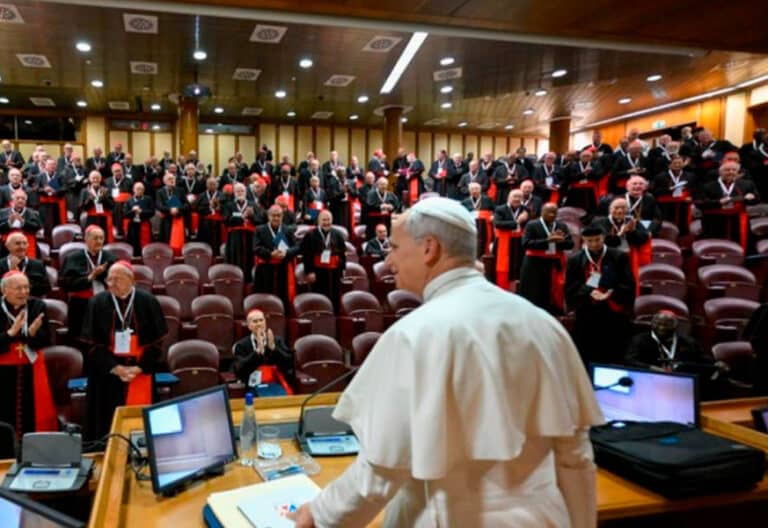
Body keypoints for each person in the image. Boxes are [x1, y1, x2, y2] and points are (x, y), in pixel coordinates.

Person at [290, 197, 601, 528]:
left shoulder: (414, 334)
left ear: (429, 248)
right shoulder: (545, 325)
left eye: (395, 247)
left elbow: (380, 475)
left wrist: (319, 514)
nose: (388, 259)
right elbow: (576, 459)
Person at [81, 261, 167, 440]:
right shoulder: (96, 303)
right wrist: (115, 368)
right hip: (107, 375)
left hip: (140, 372)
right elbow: (91, 344)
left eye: (117, 279)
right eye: (109, 279)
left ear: (131, 280)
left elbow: (157, 342)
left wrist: (140, 367)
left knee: (141, 427)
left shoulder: (148, 301)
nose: (111, 283)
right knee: (106, 424)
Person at [565, 225, 636, 365]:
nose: (594, 244)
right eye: (590, 241)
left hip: (612, 311)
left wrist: (611, 292)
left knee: (612, 351)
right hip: (586, 310)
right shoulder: (575, 259)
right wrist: (589, 291)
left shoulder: (619, 256)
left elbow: (628, 283)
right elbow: (571, 286)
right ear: (584, 240)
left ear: (603, 238)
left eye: (597, 240)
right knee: (586, 351)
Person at [0, 271, 56, 450]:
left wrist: (31, 335)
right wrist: (10, 334)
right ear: (4, 291)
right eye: (18, 288)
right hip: (2, 371)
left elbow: (46, 339)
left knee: (34, 414)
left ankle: (35, 453)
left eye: (26, 287)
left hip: (32, 368)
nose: (23, 292)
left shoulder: (37, 306)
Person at [60, 226, 116, 345]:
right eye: (95, 238)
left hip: (105, 304)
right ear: (86, 239)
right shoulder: (73, 258)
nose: (99, 241)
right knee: (80, 340)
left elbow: (117, 282)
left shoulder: (110, 258)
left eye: (101, 238)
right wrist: (90, 277)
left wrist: (104, 276)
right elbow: (66, 284)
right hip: (80, 305)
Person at [518, 203, 573, 314]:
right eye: (549, 212)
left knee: (553, 292)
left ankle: (554, 313)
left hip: (554, 262)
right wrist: (547, 240)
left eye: (554, 212)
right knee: (534, 292)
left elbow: (570, 244)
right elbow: (526, 244)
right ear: (542, 212)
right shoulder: (532, 224)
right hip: (534, 264)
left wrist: (560, 241)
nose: (552, 215)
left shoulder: (561, 226)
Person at [697, 161, 760, 249]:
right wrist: (718, 202)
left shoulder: (747, 184)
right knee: (717, 246)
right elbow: (699, 202)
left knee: (740, 245)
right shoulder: (708, 186)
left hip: (738, 221)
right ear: (720, 172)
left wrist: (752, 197)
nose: (731, 172)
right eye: (727, 170)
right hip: (715, 222)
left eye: (734, 170)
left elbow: (757, 199)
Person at [253, 205, 301, 310]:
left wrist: (286, 253)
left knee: (283, 295)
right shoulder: (260, 230)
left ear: (282, 216)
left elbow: (297, 247)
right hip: (265, 268)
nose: (276, 218)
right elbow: (256, 248)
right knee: (264, 296)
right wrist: (270, 254)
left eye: (278, 215)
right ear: (268, 216)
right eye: (273, 215)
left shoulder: (287, 230)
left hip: (283, 268)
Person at [231, 309, 294, 388]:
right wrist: (256, 353)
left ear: (265, 322)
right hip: (251, 384)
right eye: (255, 321)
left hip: (275, 383)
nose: (259, 324)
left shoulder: (277, 341)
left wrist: (274, 349)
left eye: (261, 320)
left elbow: (289, 363)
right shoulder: (241, 345)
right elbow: (239, 370)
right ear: (249, 326)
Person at [301, 210, 346, 312]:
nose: (326, 222)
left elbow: (342, 254)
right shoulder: (310, 235)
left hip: (334, 272)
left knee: (335, 297)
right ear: (319, 221)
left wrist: (343, 268)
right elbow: (306, 256)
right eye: (324, 220)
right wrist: (309, 271)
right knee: (319, 297)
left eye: (328, 220)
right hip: (317, 271)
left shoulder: (338, 234)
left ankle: (334, 315)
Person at [223, 183, 262, 282]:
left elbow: (260, 220)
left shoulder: (253, 204)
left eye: (242, 191)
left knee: (250, 259)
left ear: (246, 192)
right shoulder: (229, 205)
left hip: (250, 237)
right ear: (234, 193)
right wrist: (242, 217)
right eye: (238, 191)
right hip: (235, 238)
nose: (240, 193)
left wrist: (252, 216)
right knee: (235, 259)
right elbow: (226, 220)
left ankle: (249, 281)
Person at [492, 189, 529, 289]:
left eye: (519, 197)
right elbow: (498, 224)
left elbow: (528, 224)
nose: (517, 199)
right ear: (509, 198)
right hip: (503, 241)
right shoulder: (500, 209)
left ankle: (516, 286)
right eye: (514, 196)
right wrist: (517, 222)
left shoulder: (525, 209)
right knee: (503, 265)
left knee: (517, 264)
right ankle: (500, 285)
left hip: (519, 241)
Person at [0, 233, 49, 298]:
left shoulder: (38, 264)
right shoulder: (1, 264)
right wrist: (11, 275)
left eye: (24, 243)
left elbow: (46, 289)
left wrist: (21, 277)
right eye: (17, 243)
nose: (22, 247)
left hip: (31, 301)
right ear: (7, 246)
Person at [0, 189, 42, 258]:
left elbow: (37, 228)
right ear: (12, 200)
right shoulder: (2, 212)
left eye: (23, 199)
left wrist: (23, 222)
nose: (20, 200)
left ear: (26, 201)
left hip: (28, 244)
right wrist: (9, 223)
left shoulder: (33, 213)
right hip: (6, 247)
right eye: (17, 198)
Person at [156, 172, 188, 255]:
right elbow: (159, 206)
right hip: (166, 220)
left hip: (178, 218)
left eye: (173, 179)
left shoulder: (180, 190)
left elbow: (186, 205)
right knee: (166, 241)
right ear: (164, 181)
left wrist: (178, 209)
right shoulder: (160, 192)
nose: (172, 180)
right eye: (169, 179)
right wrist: (170, 210)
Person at [79, 170, 115, 243]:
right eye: (93, 178)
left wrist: (104, 198)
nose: (95, 180)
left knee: (104, 240)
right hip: (90, 219)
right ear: (90, 179)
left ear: (100, 179)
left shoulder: (106, 190)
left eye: (97, 178)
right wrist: (90, 199)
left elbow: (112, 206)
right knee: (92, 239)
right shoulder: (84, 191)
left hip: (103, 219)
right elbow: (82, 207)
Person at [461, 182, 494, 257]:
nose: (474, 191)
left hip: (485, 226)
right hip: (471, 225)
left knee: (485, 241)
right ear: (469, 191)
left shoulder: (487, 199)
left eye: (476, 189)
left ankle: (485, 256)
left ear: (480, 190)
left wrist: (493, 216)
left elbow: (494, 210)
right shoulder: (465, 202)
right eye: (472, 189)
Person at [122, 182, 154, 257]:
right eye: (137, 189)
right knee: (133, 243)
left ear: (144, 190)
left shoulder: (148, 199)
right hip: (133, 225)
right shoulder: (129, 200)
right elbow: (125, 214)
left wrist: (141, 212)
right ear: (133, 190)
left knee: (145, 243)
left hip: (144, 223)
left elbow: (152, 212)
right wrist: (132, 211)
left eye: (141, 189)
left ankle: (145, 257)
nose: (139, 191)